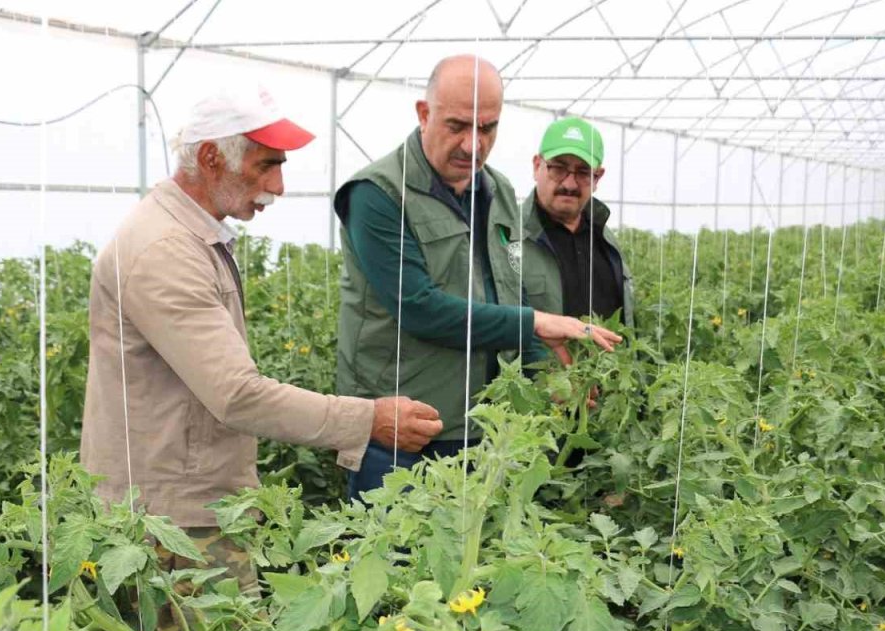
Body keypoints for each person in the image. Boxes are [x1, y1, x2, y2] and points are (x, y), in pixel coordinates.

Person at [79, 83, 444, 599]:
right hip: (171, 525)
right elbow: (237, 395)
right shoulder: (164, 250)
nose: (278, 185)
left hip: (189, 508)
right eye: (265, 165)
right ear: (210, 158)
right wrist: (369, 420)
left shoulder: (188, 236)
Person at [334, 55, 621, 501]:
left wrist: (551, 376)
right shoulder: (378, 194)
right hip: (405, 435)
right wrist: (534, 322)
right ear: (423, 114)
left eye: (487, 128)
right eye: (457, 126)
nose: (473, 144)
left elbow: (513, 290)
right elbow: (419, 308)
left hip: (488, 431)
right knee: (398, 564)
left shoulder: (500, 192)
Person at [520, 117, 634, 325]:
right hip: (542, 360)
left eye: (583, 172)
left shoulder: (606, 240)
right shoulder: (509, 236)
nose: (570, 183)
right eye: (559, 168)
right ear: (537, 166)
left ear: (597, 177)